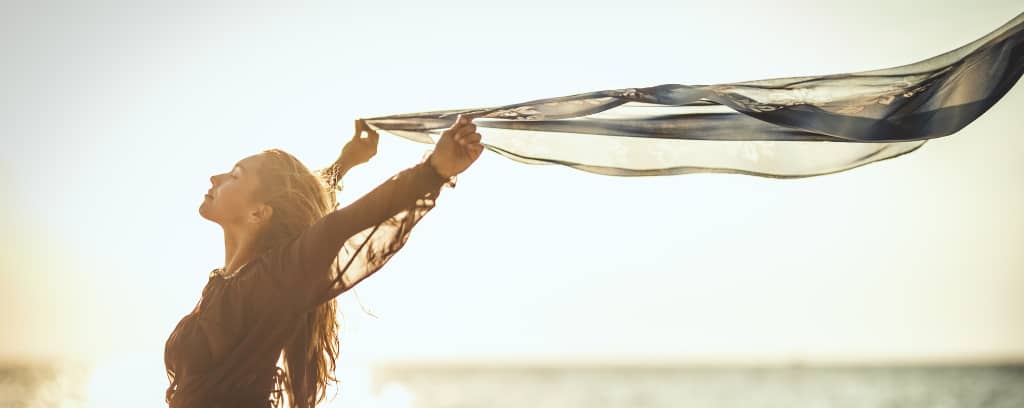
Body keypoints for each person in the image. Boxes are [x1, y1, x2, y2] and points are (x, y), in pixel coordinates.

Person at [164, 116, 483, 408]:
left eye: (234, 175)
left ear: (259, 213)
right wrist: (344, 164)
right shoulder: (235, 280)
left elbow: (337, 228)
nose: (215, 177)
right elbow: (300, 211)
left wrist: (434, 171)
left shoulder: (271, 278)